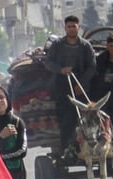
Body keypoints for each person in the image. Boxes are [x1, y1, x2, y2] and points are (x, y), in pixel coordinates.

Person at [43, 15, 96, 157]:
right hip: (62, 84)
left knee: (86, 116)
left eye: (74, 26)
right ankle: (67, 148)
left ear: (78, 27)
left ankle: (89, 145)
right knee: (66, 117)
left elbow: (92, 67)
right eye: (69, 26)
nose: (71, 29)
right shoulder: (57, 45)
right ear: (65, 28)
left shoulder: (85, 46)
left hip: (81, 84)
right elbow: (48, 62)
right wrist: (61, 70)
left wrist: (82, 84)